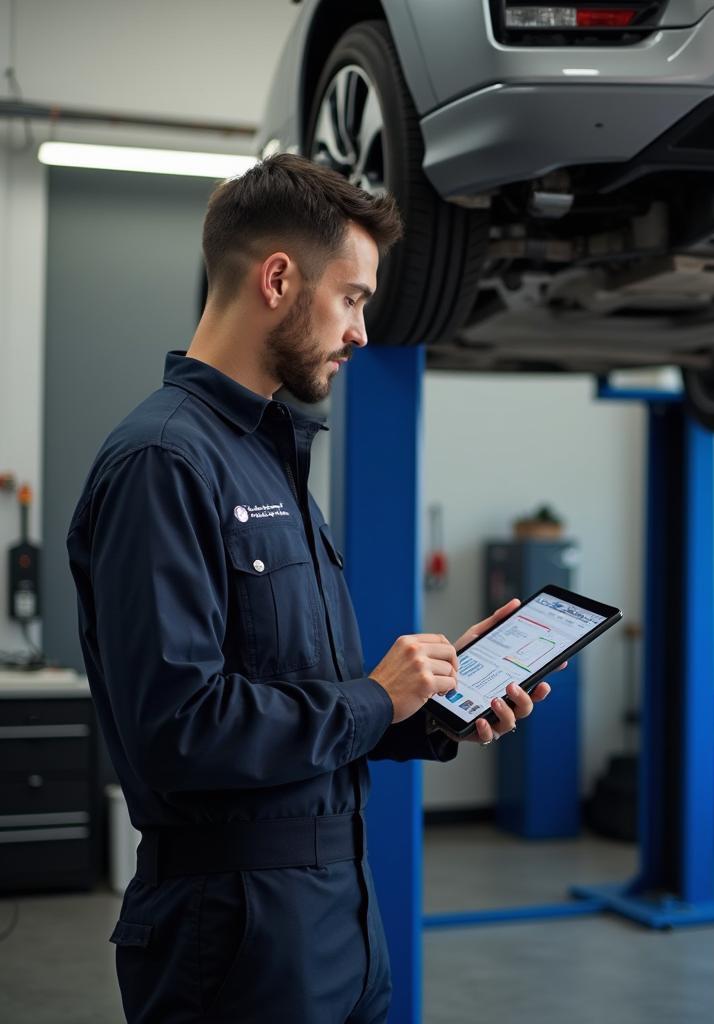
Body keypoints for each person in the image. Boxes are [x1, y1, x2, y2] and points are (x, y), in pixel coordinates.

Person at [66, 154, 552, 1024]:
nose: (362, 332)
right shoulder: (162, 462)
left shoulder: (271, 455)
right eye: (354, 298)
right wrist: (374, 697)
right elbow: (180, 729)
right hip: (238, 938)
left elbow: (296, 706)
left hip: (341, 919)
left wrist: (431, 707)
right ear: (280, 278)